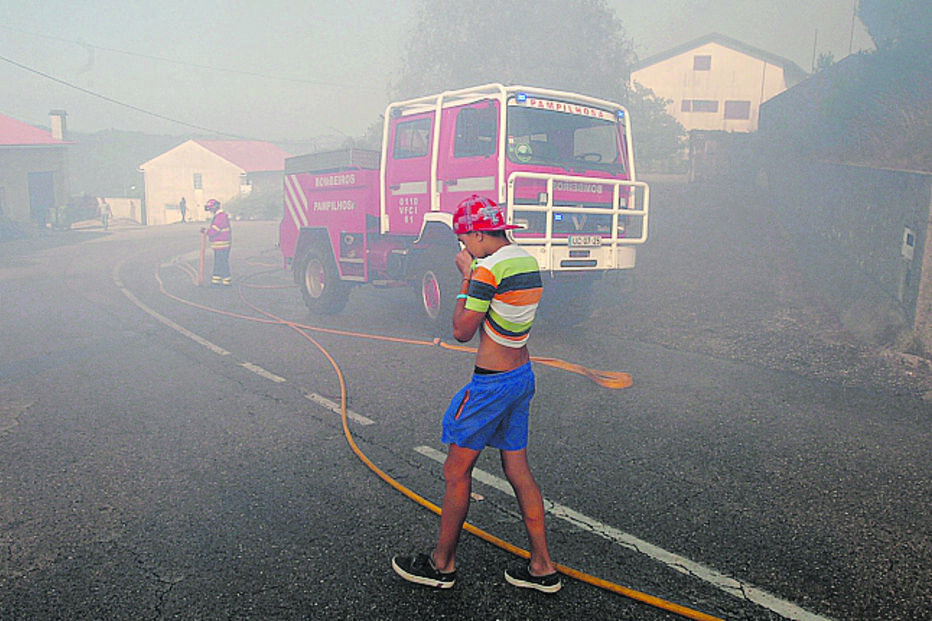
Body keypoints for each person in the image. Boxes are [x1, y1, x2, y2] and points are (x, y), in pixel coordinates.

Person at [392, 194, 560, 593]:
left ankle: (441, 565)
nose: (462, 247)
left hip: (491, 384)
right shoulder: (525, 260)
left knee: (456, 470)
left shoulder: (485, 268)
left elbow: (461, 330)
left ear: (480, 234)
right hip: (522, 375)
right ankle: (542, 566)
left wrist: (467, 276)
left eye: (464, 239)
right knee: (517, 470)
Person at [201, 199, 232, 286]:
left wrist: (206, 231)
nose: (210, 211)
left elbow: (214, 231)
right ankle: (216, 281)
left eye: (210, 209)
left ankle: (226, 282)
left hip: (222, 245)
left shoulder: (220, 216)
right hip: (220, 245)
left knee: (221, 263)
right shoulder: (220, 216)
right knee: (219, 263)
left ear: (214, 207)